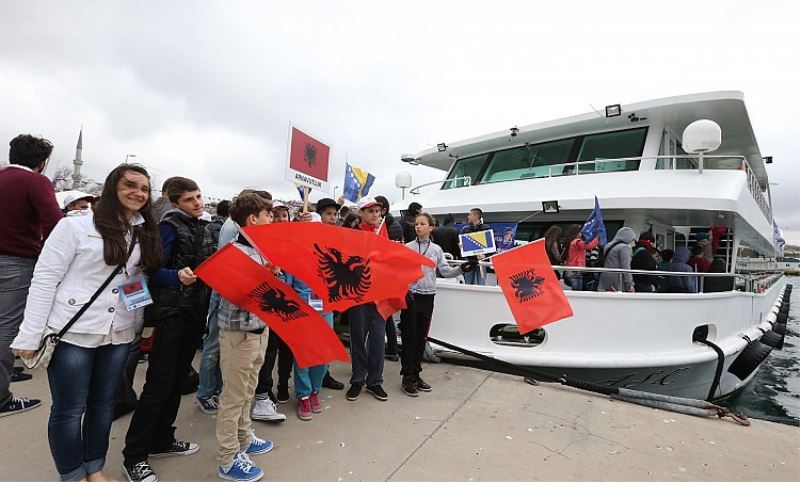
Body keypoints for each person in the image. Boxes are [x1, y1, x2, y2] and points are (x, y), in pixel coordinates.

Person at [12, 164, 162, 482]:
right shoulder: (76, 227)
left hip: (117, 332)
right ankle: (72, 474)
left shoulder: (141, 230)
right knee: (69, 409)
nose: (138, 192)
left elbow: (134, 280)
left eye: (145, 188)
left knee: (104, 405)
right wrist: (29, 334)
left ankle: (94, 467)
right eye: (131, 185)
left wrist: (137, 323)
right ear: (111, 187)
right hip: (73, 330)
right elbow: (45, 279)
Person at [122, 177, 213, 482]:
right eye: (190, 199)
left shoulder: (201, 227)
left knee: (177, 381)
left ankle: (163, 438)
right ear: (175, 203)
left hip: (192, 315)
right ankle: (134, 456)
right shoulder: (168, 226)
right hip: (168, 315)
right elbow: (149, 270)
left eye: (199, 196)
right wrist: (176, 277)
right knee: (158, 385)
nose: (197, 203)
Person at [0, 134, 62, 417]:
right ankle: (1, 397)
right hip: (16, 262)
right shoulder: (36, 182)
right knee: (7, 330)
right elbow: (54, 226)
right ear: (43, 162)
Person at [215, 192, 275, 482]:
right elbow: (233, 294)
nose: (272, 221)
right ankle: (228, 457)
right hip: (238, 334)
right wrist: (262, 276)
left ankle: (245, 436)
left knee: (248, 391)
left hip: (259, 330)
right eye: (269, 216)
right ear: (253, 219)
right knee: (233, 397)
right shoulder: (235, 252)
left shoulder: (260, 249)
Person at [400, 212, 475, 396]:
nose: (418, 227)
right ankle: (407, 376)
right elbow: (399, 273)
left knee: (421, 337)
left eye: (422, 224)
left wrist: (462, 268)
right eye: (416, 224)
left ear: (431, 227)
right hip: (410, 297)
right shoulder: (407, 248)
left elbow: (446, 272)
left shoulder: (436, 250)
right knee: (410, 337)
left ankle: (416, 374)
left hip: (428, 297)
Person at [345, 197, 389, 402]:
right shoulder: (353, 235)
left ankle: (375, 382)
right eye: (370, 211)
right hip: (359, 297)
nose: (375, 214)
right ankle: (357, 379)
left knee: (379, 340)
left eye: (378, 211)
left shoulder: (383, 234)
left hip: (379, 298)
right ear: (361, 213)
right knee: (358, 339)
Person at [257, 201, 295, 406]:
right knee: (269, 349)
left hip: (289, 302)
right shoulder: (261, 241)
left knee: (288, 346)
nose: (280, 219)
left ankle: (282, 385)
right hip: (269, 303)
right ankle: (264, 388)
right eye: (276, 215)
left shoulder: (290, 240)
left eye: (284, 216)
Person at [313, 198, 345, 391]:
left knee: (326, 339)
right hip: (312, 296)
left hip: (329, 296)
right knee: (315, 339)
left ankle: (324, 374)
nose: (333, 218)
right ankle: (312, 382)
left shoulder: (336, 235)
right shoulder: (312, 235)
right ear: (319, 215)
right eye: (328, 214)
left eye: (335, 214)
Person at [374, 195, 402, 362]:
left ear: (382, 210)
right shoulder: (393, 224)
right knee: (387, 315)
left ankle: (391, 349)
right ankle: (392, 348)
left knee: (385, 314)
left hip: (384, 276)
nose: (375, 214)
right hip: (386, 275)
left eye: (376, 210)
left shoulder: (388, 226)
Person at [597, 227, 636, 292]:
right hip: (618, 279)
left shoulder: (608, 245)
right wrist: (630, 283)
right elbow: (625, 266)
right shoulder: (624, 247)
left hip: (605, 276)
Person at [562, 224, 599, 291]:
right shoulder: (577, 242)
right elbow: (588, 246)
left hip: (572, 269)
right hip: (576, 269)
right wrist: (596, 238)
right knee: (577, 290)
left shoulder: (572, 242)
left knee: (576, 289)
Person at [460, 208, 491, 286]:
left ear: (475, 216)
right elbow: (461, 247)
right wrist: (461, 247)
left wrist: (485, 255)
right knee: (467, 284)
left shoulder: (486, 228)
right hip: (469, 261)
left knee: (481, 284)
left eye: (469, 214)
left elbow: (493, 248)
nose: (468, 217)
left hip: (482, 262)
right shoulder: (465, 229)